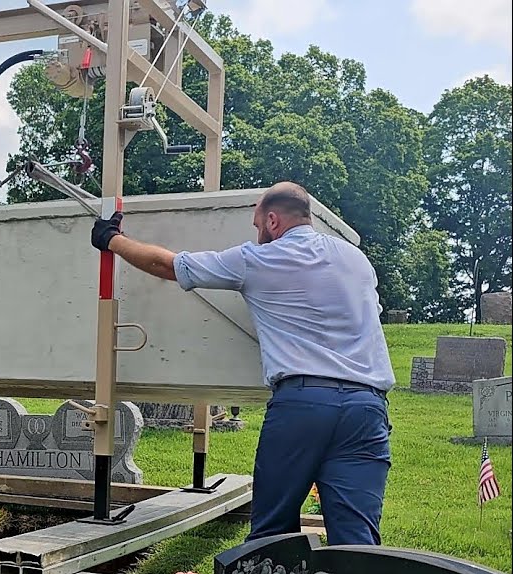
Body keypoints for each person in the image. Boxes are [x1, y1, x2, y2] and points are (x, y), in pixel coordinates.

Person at [89, 182, 394, 546]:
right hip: (367, 408)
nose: (257, 234)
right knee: (358, 539)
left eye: (256, 225)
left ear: (272, 219)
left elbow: (167, 264)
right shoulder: (356, 260)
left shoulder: (258, 259)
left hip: (303, 405)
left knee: (271, 533)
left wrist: (111, 239)